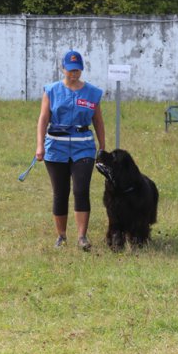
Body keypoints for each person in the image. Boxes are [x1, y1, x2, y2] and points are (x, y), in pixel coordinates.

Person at [36, 50, 106, 250]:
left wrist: (103, 145)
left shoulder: (92, 93)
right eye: (70, 70)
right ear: (62, 68)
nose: (74, 74)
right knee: (60, 192)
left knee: (81, 190)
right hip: (56, 148)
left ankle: (82, 237)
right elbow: (43, 119)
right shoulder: (51, 90)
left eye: (77, 70)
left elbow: (98, 120)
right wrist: (39, 145)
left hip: (83, 147)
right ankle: (61, 236)